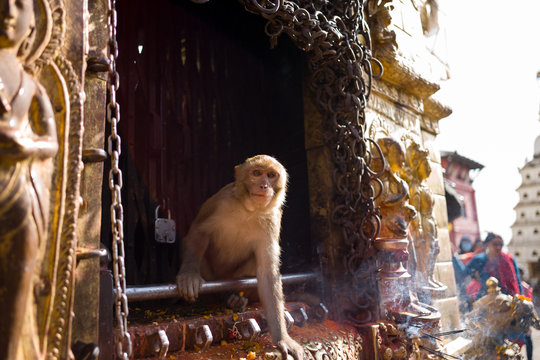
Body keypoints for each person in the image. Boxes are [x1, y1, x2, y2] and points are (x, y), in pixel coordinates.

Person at [453, 232, 522, 302]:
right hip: (485, 300)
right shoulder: (479, 260)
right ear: (487, 244)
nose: (498, 247)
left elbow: (517, 281)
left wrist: (520, 299)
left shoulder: (509, 260)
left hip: (506, 300)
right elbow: (462, 274)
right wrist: (454, 257)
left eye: (501, 244)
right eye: (495, 244)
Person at [520, 268, 534, 360]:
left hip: (525, 316)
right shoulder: (517, 286)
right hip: (517, 315)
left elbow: (530, 302)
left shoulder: (525, 287)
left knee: (528, 340)